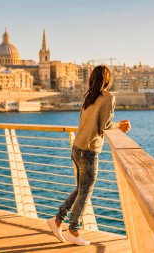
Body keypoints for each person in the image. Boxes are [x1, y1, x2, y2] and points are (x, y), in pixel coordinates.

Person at [47, 65, 131, 246]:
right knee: (85, 191)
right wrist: (120, 126)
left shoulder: (88, 97)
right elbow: (105, 126)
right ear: (108, 80)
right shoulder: (109, 98)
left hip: (77, 147)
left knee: (80, 189)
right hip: (89, 151)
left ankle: (57, 220)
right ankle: (73, 230)